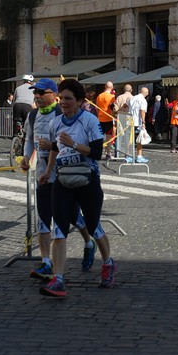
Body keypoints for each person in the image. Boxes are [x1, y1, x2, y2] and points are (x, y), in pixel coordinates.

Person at [39, 78, 116, 297]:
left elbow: (96, 153)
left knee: (93, 226)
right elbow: (56, 149)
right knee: (59, 228)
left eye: (68, 99)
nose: (63, 102)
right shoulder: (56, 123)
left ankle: (108, 263)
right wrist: (48, 172)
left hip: (87, 180)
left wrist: (73, 144)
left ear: (80, 101)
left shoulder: (90, 120)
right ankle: (59, 278)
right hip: (63, 180)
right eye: (61, 98)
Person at [20, 78, 96, 280]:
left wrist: (53, 146)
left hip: (64, 176)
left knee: (73, 216)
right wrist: (27, 157)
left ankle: (89, 243)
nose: (37, 97)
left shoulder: (62, 113)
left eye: (42, 93)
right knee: (43, 219)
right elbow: (28, 140)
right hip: (43, 175)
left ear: (54, 95)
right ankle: (46, 262)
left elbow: (75, 141)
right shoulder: (33, 115)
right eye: (35, 93)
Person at [128, 87, 150, 163]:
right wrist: (143, 122)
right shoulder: (143, 100)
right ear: (147, 93)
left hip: (130, 121)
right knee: (139, 139)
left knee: (130, 139)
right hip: (138, 122)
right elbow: (142, 111)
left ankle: (128, 155)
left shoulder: (133, 98)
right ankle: (139, 156)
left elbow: (126, 105)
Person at [95, 81, 116, 159]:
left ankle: (99, 152)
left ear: (105, 87)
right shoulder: (112, 97)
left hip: (100, 118)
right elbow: (113, 108)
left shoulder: (99, 96)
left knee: (99, 137)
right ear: (112, 88)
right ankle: (108, 153)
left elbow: (96, 107)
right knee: (108, 137)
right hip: (109, 118)